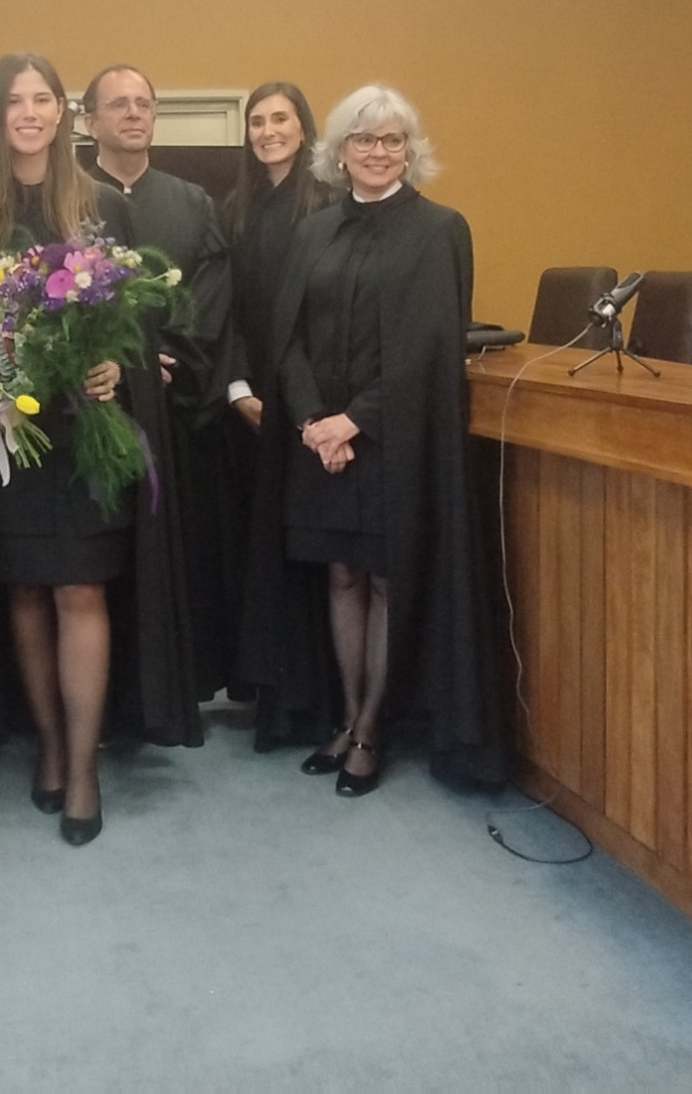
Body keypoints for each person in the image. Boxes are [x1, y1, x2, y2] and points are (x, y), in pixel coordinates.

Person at [0, 51, 201, 844]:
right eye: (14, 100)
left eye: (42, 98)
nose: (29, 112)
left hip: (86, 436)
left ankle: (83, 768)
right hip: (9, 435)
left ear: (61, 113)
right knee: (25, 591)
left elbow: (135, 324)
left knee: (82, 591)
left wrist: (114, 366)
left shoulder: (99, 206)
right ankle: (49, 745)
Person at [264, 85, 498, 796]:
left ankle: (371, 727)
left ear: (409, 150)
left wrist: (354, 421)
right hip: (321, 442)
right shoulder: (313, 232)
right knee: (341, 574)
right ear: (340, 152)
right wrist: (313, 420)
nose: (378, 151)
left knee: (388, 578)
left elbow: (428, 348)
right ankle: (345, 714)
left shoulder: (439, 230)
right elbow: (287, 336)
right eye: (364, 140)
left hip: (396, 439)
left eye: (392, 139)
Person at [79, 64, 240, 698]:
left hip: (174, 409)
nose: (134, 113)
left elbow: (211, 297)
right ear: (89, 120)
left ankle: (172, 687)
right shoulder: (70, 198)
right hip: (93, 406)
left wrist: (159, 356)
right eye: (118, 104)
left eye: (143, 103)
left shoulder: (192, 203)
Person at [215, 83, 338, 752]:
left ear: (304, 127)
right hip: (253, 406)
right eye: (257, 121)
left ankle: (315, 702)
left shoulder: (331, 205)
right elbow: (224, 309)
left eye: (280, 119)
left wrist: (305, 399)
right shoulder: (234, 209)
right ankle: (272, 696)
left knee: (311, 553)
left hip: (314, 402)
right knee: (260, 551)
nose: (268, 131)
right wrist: (238, 388)